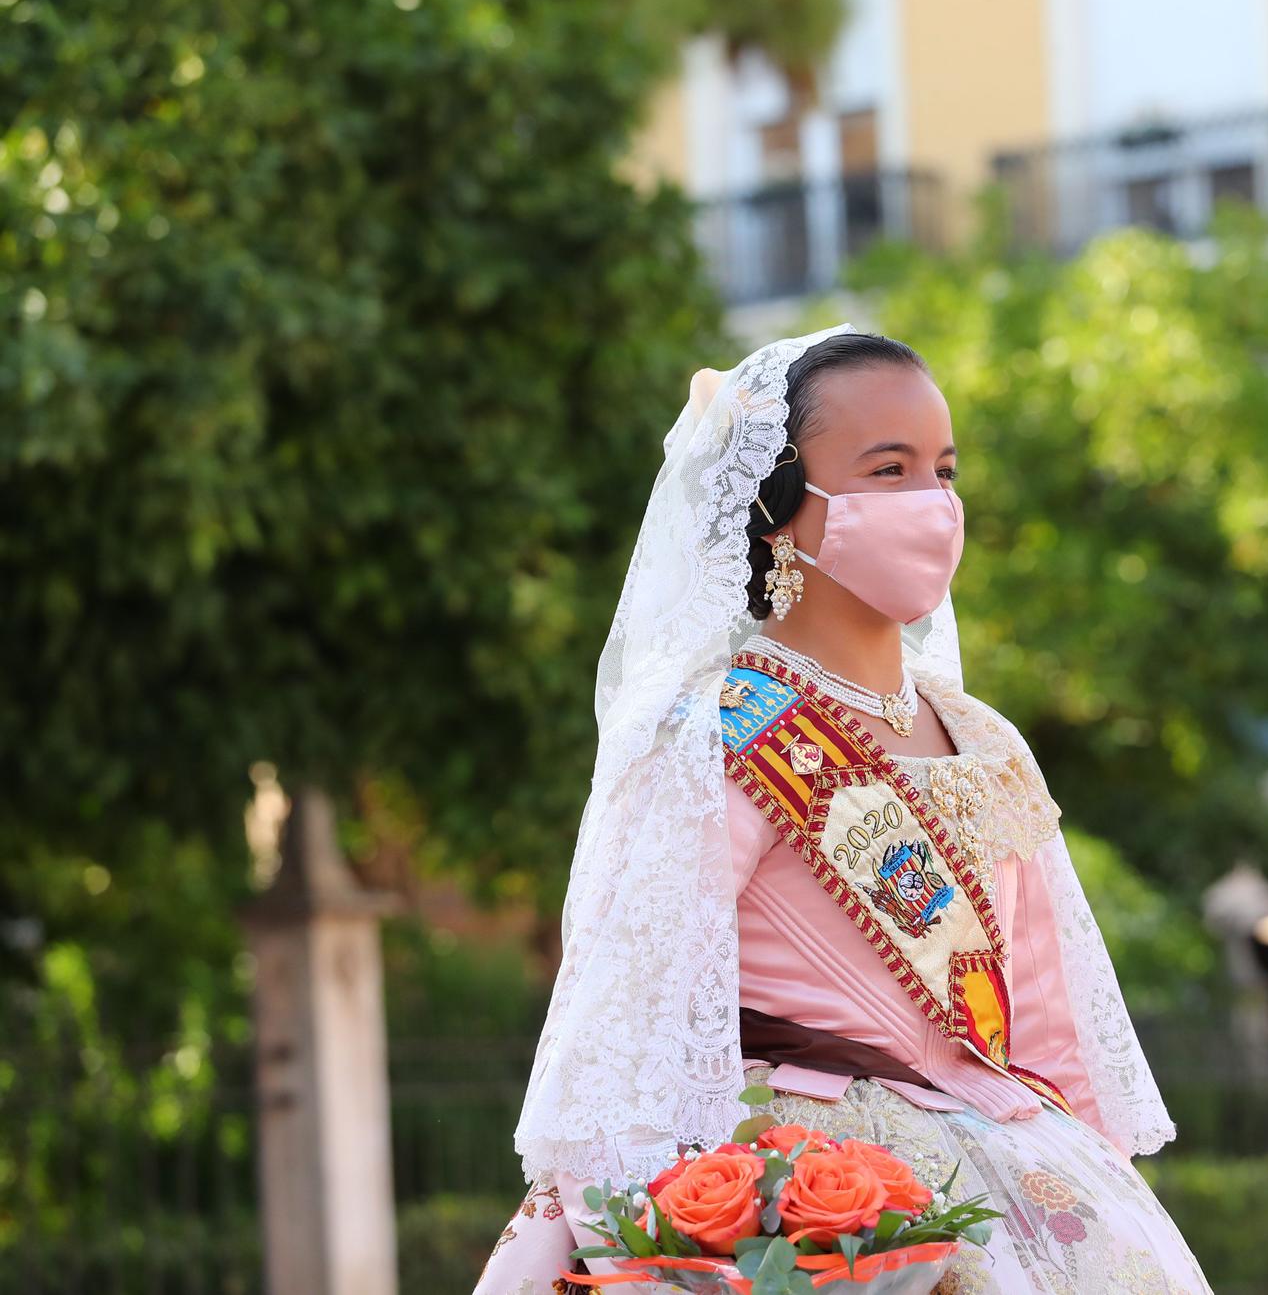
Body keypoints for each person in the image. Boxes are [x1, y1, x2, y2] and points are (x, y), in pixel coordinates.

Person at [473, 327, 1210, 1294]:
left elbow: (1039, 1015)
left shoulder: (984, 738)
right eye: (887, 469)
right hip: (803, 1193)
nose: (934, 504)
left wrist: (1085, 1182)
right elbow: (633, 1021)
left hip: (1014, 1173)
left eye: (943, 470)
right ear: (779, 502)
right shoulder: (715, 732)